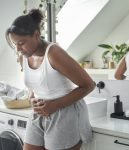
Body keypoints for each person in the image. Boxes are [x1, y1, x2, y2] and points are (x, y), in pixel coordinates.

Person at [5, 9, 95, 150]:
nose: (18, 49)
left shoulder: (54, 54)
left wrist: (55, 105)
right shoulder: (25, 55)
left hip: (64, 113)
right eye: (15, 43)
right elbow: (33, 83)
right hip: (39, 112)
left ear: (36, 35)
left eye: (21, 43)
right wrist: (32, 97)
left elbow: (89, 85)